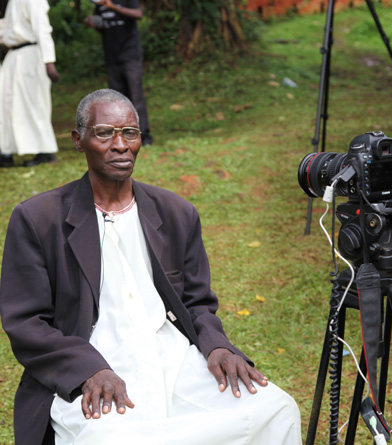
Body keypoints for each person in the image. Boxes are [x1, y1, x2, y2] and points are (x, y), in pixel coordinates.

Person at [0, 89, 301, 445]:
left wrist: (218, 346)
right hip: (93, 363)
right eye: (104, 133)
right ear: (78, 141)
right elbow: (26, 322)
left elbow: (197, 302)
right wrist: (87, 369)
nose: (120, 145)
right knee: (109, 438)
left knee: (277, 409)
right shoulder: (38, 219)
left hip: (172, 358)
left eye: (130, 133)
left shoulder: (176, 213)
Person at [0, 0, 60, 168]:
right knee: (8, 107)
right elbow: (10, 29)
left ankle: (45, 151)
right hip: (14, 57)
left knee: (35, 104)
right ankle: (7, 151)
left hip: (31, 57)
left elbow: (43, 29)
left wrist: (49, 61)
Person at [85, 0, 153, 146]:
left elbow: (138, 14)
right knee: (117, 100)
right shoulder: (99, 4)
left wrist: (113, 7)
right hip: (112, 57)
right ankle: (123, 135)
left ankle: (144, 135)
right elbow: (103, 26)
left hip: (130, 55)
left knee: (136, 96)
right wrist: (95, 24)